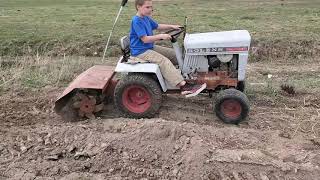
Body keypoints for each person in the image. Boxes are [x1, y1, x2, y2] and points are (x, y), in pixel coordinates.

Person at [130, 0, 206, 97]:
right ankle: (184, 87)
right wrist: (161, 36)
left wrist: (172, 26)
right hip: (140, 51)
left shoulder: (146, 18)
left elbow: (158, 26)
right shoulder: (136, 21)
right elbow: (145, 39)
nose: (150, 10)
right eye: (147, 7)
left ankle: (189, 75)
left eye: (151, 7)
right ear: (138, 7)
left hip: (149, 47)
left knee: (176, 55)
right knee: (164, 61)